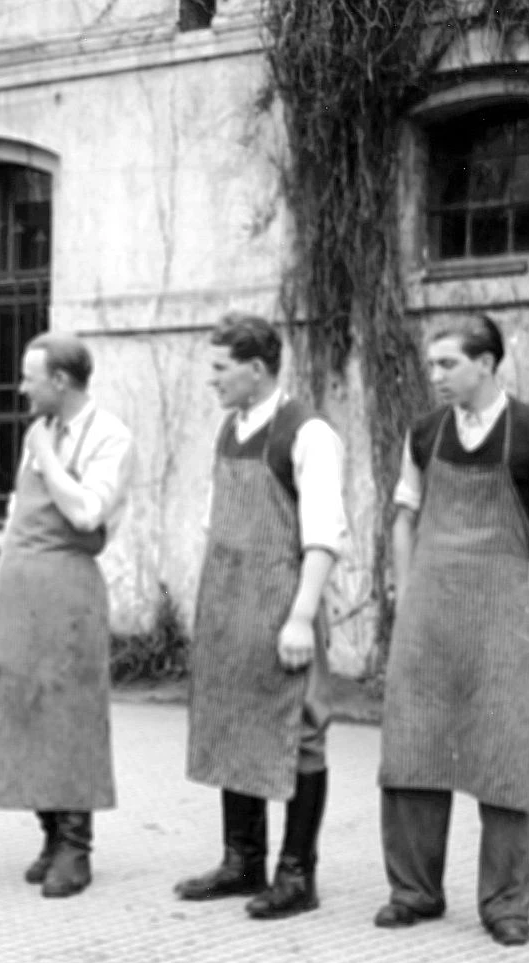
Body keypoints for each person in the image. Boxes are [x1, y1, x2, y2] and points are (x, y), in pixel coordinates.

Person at [376, 313, 529, 948]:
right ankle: (414, 891)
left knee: (503, 757)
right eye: (432, 364)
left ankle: (505, 904)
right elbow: (404, 519)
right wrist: (405, 599)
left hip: (500, 622)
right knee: (412, 750)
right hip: (427, 620)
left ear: (487, 364)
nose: (435, 375)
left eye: (448, 364)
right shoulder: (424, 434)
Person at [177, 313, 347, 920]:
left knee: (299, 732)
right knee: (233, 723)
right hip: (229, 604)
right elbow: (215, 523)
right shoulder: (230, 429)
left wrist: (300, 618)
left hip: (282, 605)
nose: (213, 380)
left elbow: (323, 538)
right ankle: (242, 862)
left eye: (221, 368)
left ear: (255, 369)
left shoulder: (307, 433)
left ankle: (297, 876)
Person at [0, 332, 135, 899]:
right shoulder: (39, 432)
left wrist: (44, 454)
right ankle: (48, 834)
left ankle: (75, 846)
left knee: (69, 713)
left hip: (68, 589)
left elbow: (88, 512)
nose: (21, 388)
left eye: (29, 377)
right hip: (21, 586)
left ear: (60, 381)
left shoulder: (109, 436)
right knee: (21, 707)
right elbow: (17, 516)